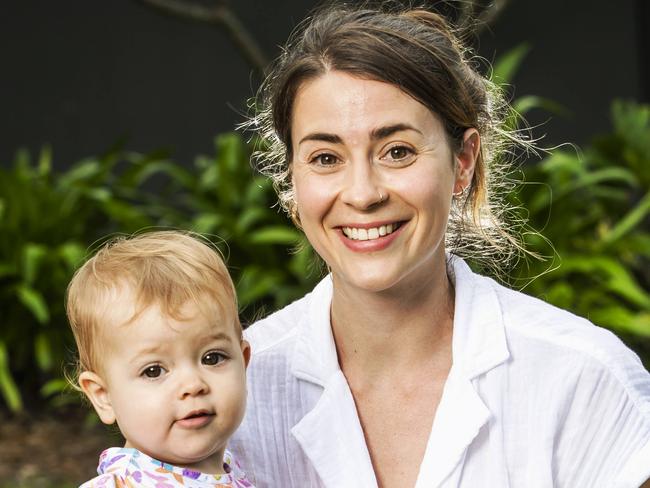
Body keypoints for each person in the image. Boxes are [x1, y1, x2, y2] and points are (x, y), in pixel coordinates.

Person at [228, 2, 650, 487]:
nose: (363, 194)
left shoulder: (581, 378)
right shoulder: (233, 391)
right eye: (326, 157)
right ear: (293, 179)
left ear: (464, 161)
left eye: (398, 151)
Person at [66, 231, 254, 487]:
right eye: (153, 371)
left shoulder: (238, 473)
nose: (192, 384)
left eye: (212, 357)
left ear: (243, 363)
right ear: (103, 395)